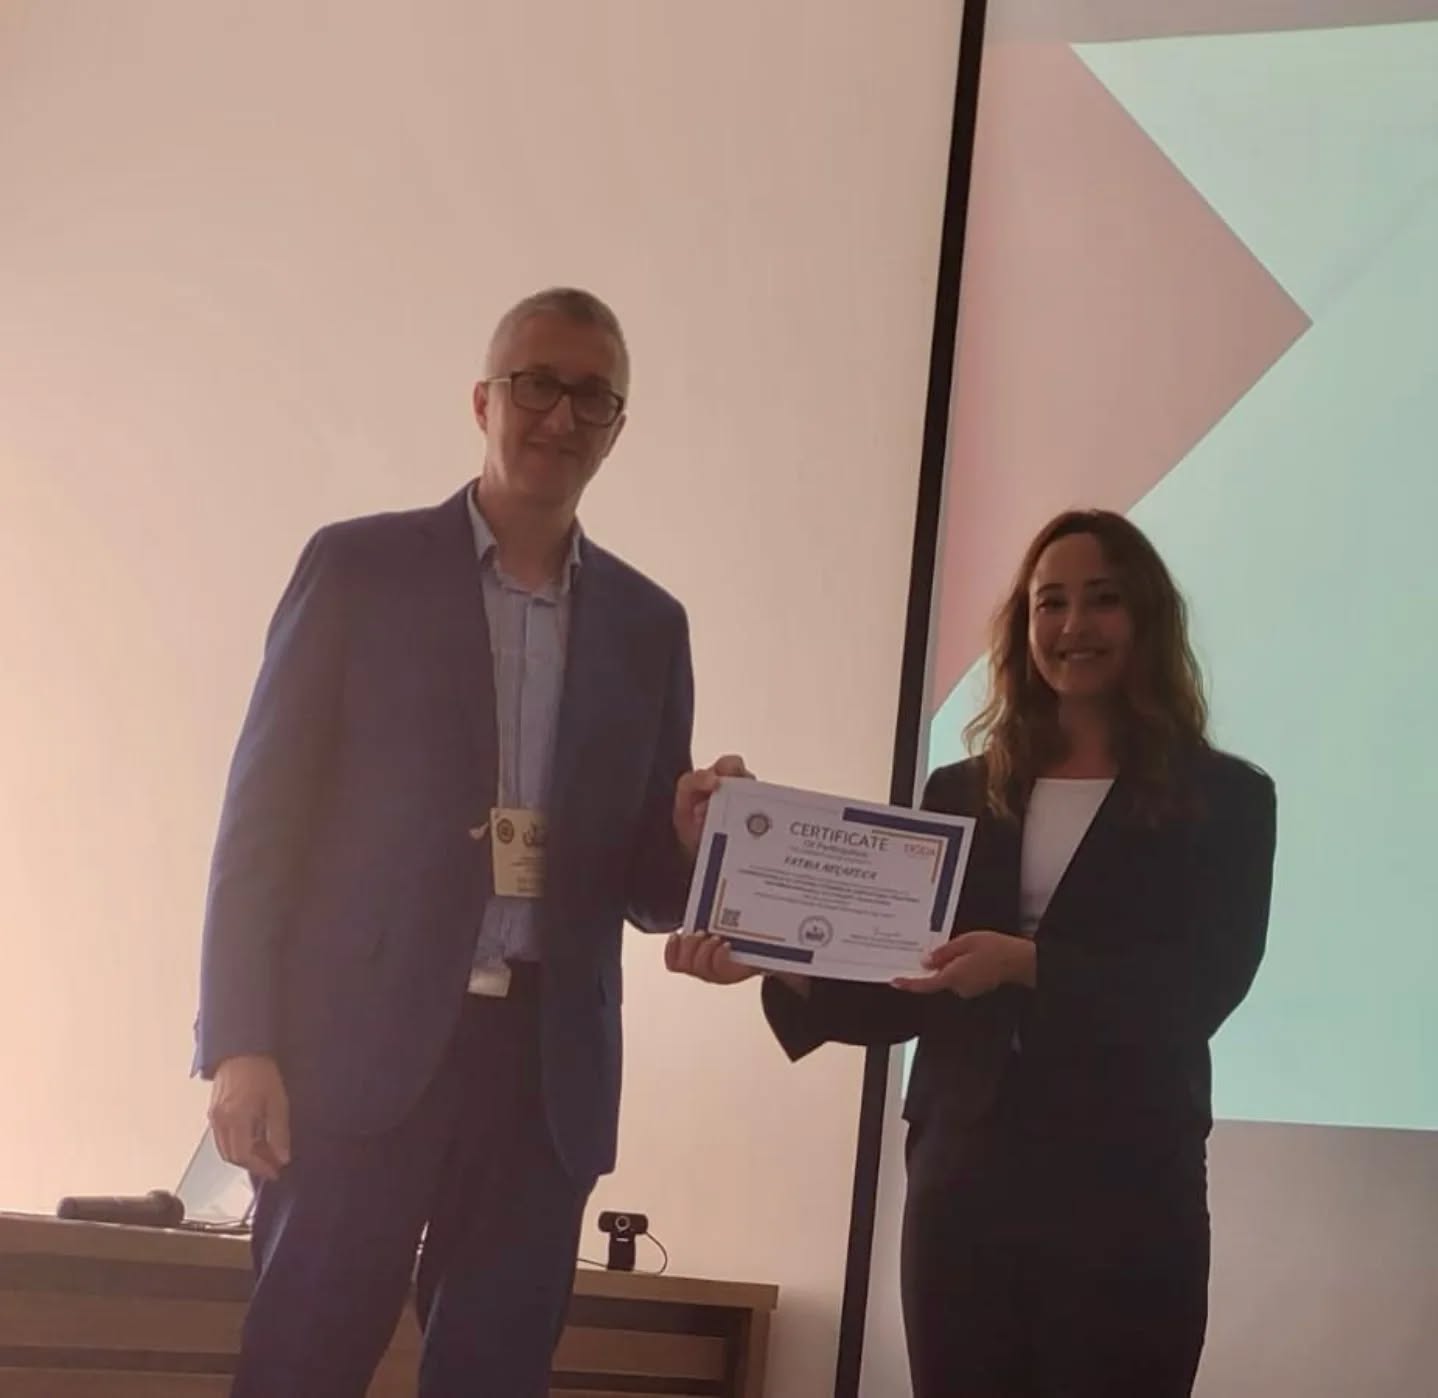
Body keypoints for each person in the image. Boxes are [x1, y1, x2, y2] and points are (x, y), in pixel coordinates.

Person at [195, 287, 742, 1397]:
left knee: (495, 1375)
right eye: (536, 385)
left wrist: (692, 842)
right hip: (354, 1054)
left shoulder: (650, 625)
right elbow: (262, 819)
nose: (561, 416)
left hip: (545, 1073)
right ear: (483, 401)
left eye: (593, 397)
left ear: (617, 428)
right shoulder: (359, 569)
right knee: (302, 1361)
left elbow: (643, 884)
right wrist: (239, 1041)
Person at [667, 509, 1277, 1398]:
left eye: (1102, 600)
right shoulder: (961, 792)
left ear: (1146, 616)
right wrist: (772, 950)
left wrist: (1025, 965)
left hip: (1131, 1191)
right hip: (964, 1187)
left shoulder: (1225, 798)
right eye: (1050, 603)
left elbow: (1199, 990)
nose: (1073, 625)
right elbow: (899, 988)